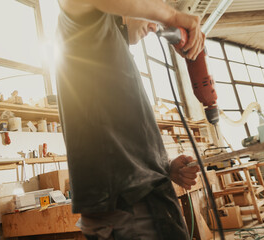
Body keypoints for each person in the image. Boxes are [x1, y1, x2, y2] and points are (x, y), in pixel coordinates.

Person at [56, 0, 205, 239]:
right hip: (130, 204)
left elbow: (118, 136)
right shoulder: (86, 28)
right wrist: (174, 17)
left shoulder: (112, 48)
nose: (155, 27)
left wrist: (163, 167)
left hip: (138, 198)